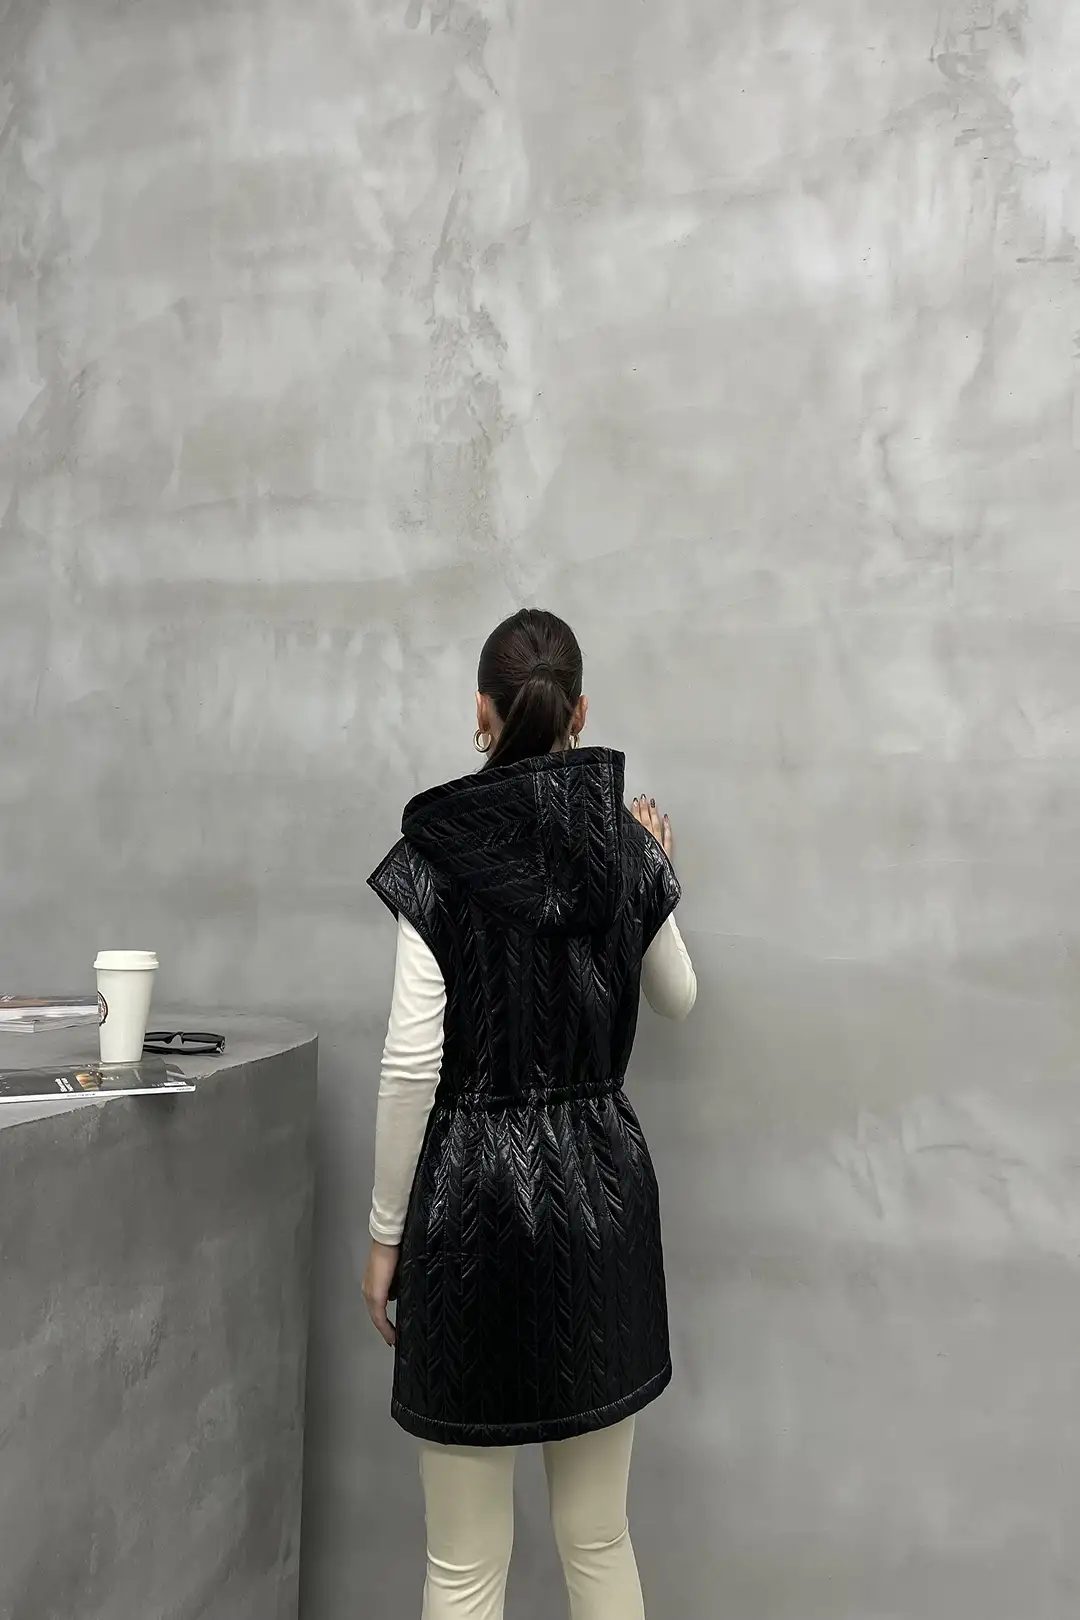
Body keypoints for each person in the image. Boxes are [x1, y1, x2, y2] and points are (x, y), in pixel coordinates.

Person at [363, 608, 697, 1620]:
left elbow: (411, 1061)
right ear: (579, 713)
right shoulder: (625, 850)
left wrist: (385, 1237)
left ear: (482, 710)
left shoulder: (435, 855)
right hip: (601, 1205)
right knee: (598, 1537)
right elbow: (679, 998)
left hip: (468, 1218)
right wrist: (657, 876)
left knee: (465, 1563)